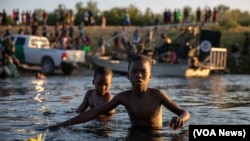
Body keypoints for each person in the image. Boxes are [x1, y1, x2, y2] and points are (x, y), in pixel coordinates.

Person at [48, 55, 190, 131]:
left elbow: (184, 112)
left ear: (150, 77)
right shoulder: (124, 97)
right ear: (127, 76)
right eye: (134, 72)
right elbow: (94, 112)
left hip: (155, 135)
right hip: (132, 133)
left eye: (143, 72)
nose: (139, 76)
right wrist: (62, 125)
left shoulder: (158, 95)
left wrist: (181, 119)